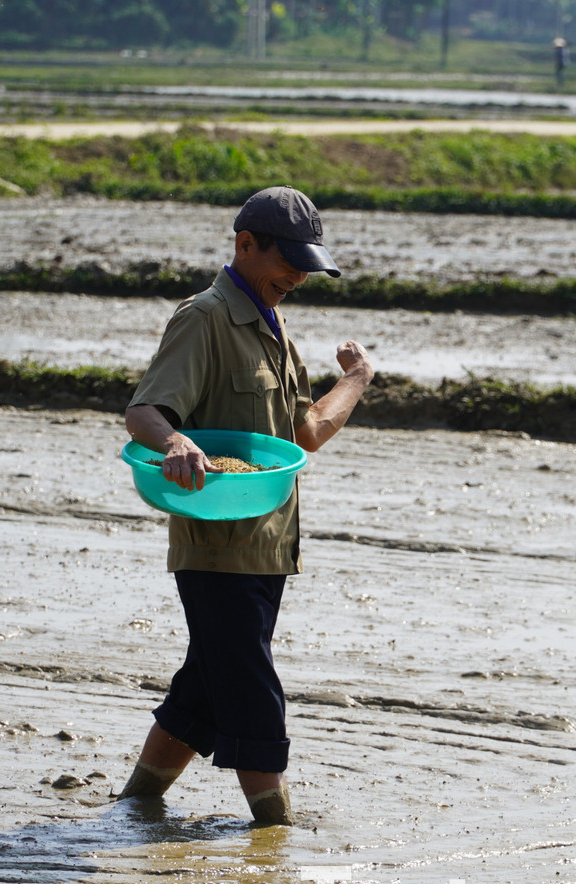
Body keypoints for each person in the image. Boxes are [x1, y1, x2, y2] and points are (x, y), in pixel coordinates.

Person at [116, 186, 374, 826]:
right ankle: (274, 826)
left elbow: (305, 433)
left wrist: (357, 380)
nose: (296, 275)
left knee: (206, 683)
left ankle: (137, 803)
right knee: (250, 682)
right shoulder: (205, 319)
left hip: (266, 541)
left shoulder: (274, 330)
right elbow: (145, 411)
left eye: (305, 264)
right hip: (215, 540)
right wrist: (175, 440)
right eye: (285, 260)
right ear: (244, 245)